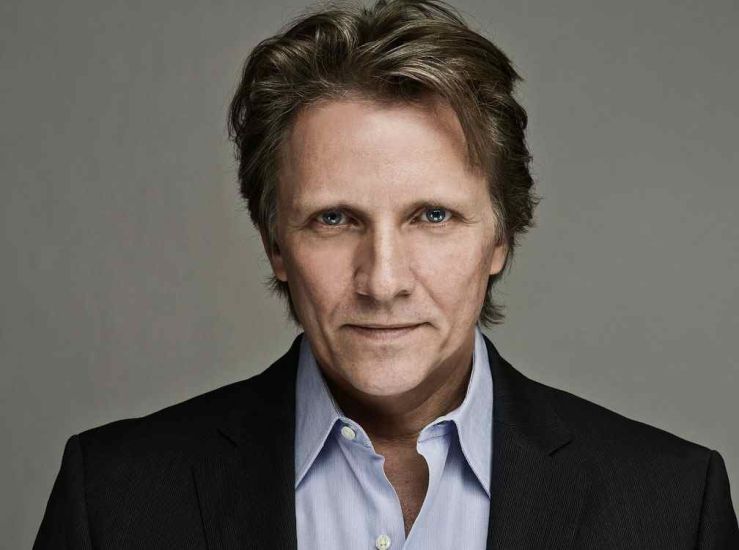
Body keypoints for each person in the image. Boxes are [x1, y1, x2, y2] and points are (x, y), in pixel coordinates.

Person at [34, 0, 738, 548]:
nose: (382, 280)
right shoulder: (115, 498)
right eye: (334, 219)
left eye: (432, 216)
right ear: (274, 243)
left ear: (500, 236)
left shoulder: (672, 504)